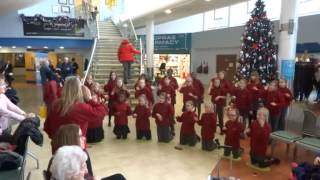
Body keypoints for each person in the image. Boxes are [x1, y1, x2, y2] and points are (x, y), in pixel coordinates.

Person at [44, 76, 108, 151]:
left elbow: (47, 127)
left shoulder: (55, 105)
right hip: (77, 151)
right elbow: (104, 110)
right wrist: (90, 99)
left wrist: (60, 140)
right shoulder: (80, 107)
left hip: (58, 149)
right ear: (79, 90)